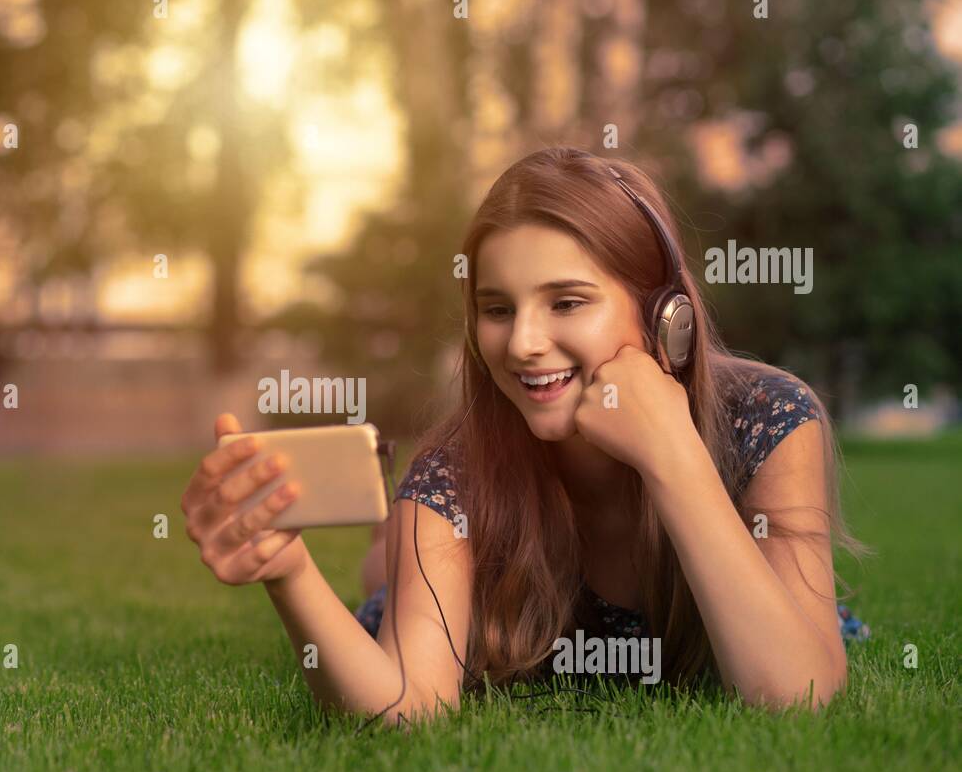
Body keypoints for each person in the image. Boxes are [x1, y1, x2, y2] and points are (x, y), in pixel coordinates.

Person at [180, 147, 869, 726]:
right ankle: (388, 548)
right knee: (388, 579)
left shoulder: (769, 418)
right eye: (497, 309)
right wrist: (289, 572)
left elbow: (796, 696)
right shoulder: (454, 470)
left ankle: (389, 546)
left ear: (668, 317)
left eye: (567, 302)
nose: (525, 344)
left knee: (400, 554)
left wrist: (675, 457)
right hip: (459, 553)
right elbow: (410, 707)